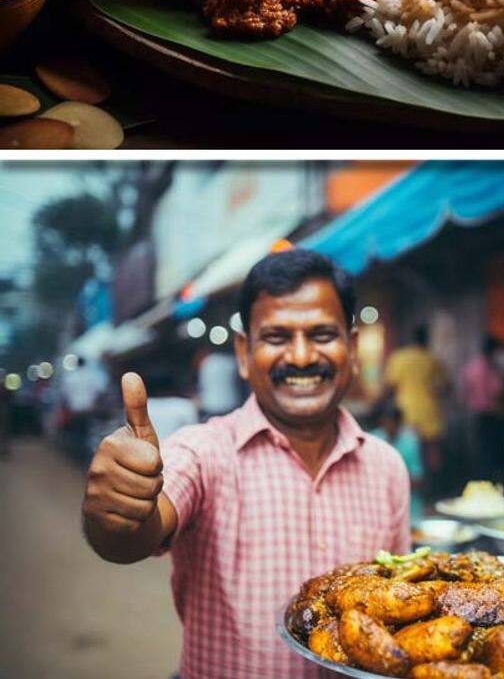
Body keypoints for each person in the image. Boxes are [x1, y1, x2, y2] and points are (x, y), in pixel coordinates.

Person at [82, 249, 410, 678]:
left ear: (350, 346)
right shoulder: (205, 453)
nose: (300, 356)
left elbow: (401, 604)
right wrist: (116, 516)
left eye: (322, 334)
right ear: (243, 352)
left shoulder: (387, 466)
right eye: (276, 337)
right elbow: (132, 536)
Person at [383, 324, 449, 482]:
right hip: (430, 412)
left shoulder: (399, 358)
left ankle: (409, 486)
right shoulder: (433, 360)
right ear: (426, 340)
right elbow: (446, 387)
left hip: (405, 411)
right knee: (431, 455)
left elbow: (390, 386)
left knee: (410, 451)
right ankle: (432, 490)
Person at [461, 334, 504, 484]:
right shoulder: (492, 369)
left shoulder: (471, 368)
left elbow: (465, 392)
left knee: (480, 453)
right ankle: (488, 485)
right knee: (490, 453)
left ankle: (481, 484)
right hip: (490, 416)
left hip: (477, 415)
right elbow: (498, 393)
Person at [371, 400, 425, 523]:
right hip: (379, 505)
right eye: (386, 423)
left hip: (409, 506)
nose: (389, 427)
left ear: (399, 423)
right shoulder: (373, 440)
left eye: (392, 423)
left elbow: (418, 480)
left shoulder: (410, 442)